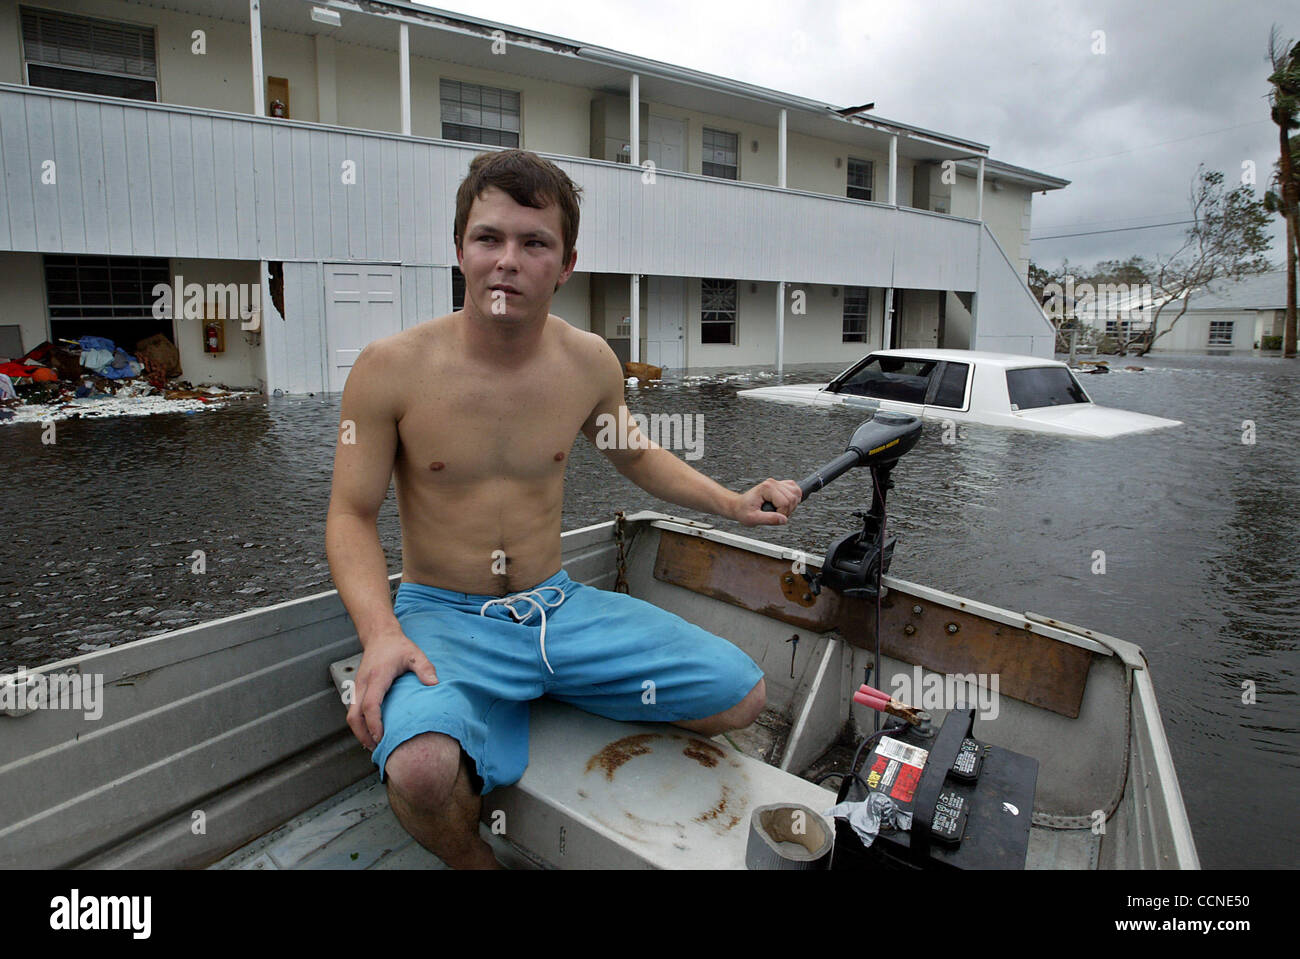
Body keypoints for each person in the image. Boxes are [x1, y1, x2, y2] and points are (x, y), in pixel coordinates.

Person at [325, 148, 802, 869]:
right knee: (422, 772)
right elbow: (349, 515)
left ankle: (535, 691)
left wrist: (733, 501)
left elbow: (636, 452)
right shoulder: (389, 368)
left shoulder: (588, 362)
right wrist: (380, 633)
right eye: (489, 238)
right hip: (444, 616)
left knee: (742, 695)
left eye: (533, 242)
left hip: (559, 609)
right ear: (460, 250)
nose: (507, 260)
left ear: (566, 262)